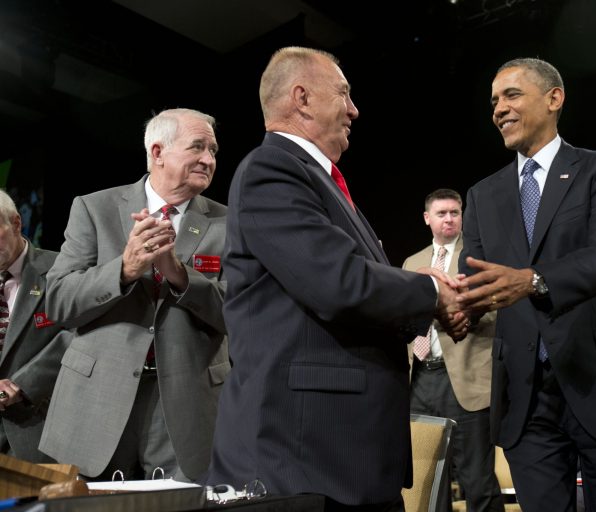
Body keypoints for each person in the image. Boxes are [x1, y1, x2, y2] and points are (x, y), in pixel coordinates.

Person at [205, 47, 463, 512]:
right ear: (301, 98)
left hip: (342, 456)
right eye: (344, 93)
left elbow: (347, 283)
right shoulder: (272, 171)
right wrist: (430, 292)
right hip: (303, 457)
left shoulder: (320, 181)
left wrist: (424, 301)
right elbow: (338, 283)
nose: (354, 109)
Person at [451, 57, 596, 512]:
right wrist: (457, 304)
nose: (498, 109)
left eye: (511, 95)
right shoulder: (482, 195)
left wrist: (533, 280)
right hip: (526, 395)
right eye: (493, 101)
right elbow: (478, 281)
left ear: (554, 98)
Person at [38, 108, 230, 482]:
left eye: (213, 150)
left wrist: (178, 273)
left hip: (188, 408)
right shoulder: (94, 209)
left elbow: (241, 313)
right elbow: (58, 301)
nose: (209, 159)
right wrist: (123, 270)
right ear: (158, 152)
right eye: (198, 147)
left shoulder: (231, 222)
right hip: (96, 402)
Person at [402, 188, 503, 512]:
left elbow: (497, 309)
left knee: (477, 481)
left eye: (454, 212)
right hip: (419, 378)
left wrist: (461, 311)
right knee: (429, 479)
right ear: (426, 218)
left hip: (464, 378)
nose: (449, 218)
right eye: (442, 213)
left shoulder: (476, 258)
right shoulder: (413, 262)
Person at [0, 189, 70, 462]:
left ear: (16, 223)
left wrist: (24, 383)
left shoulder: (62, 270)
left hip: (40, 434)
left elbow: (81, 336)